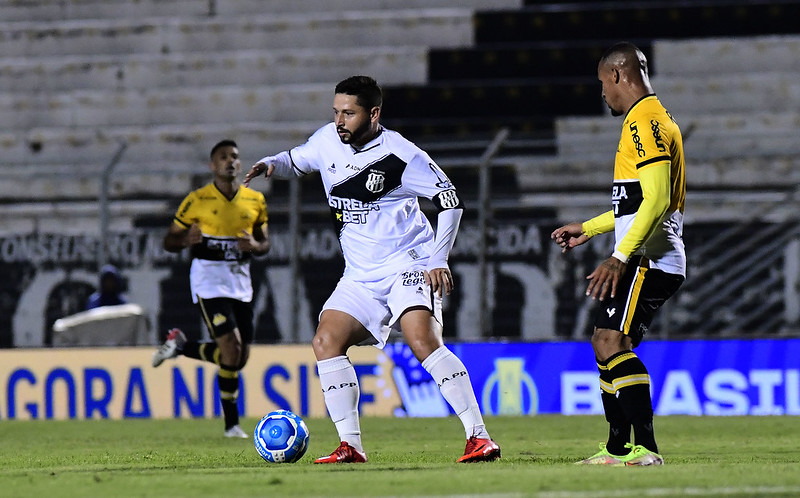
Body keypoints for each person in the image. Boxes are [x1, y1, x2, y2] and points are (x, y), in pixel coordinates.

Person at [245, 75, 501, 464]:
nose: (340, 121)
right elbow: (295, 162)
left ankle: (479, 437)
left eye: (349, 113)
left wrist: (438, 257)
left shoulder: (401, 154)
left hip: (407, 262)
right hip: (361, 274)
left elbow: (450, 200)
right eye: (336, 112)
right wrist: (270, 163)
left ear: (373, 113)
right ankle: (351, 446)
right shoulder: (327, 141)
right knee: (326, 342)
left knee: (421, 340)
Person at [551, 42, 686, 466]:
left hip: (650, 258)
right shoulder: (651, 119)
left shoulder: (643, 123)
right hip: (647, 255)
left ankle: (644, 449)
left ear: (616, 75)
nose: (602, 94)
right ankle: (617, 449)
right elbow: (635, 202)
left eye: (601, 84)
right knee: (610, 343)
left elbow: (658, 198)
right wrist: (591, 228)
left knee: (610, 341)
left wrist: (619, 256)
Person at [152, 139, 270, 438]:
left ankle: (181, 347)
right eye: (223, 157)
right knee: (230, 348)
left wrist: (254, 245)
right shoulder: (197, 200)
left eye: (234, 157)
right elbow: (169, 241)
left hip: (241, 285)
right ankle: (232, 425)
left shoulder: (255, 200)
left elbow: (264, 243)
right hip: (208, 283)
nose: (230, 161)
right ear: (212, 165)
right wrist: (184, 241)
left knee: (238, 358)